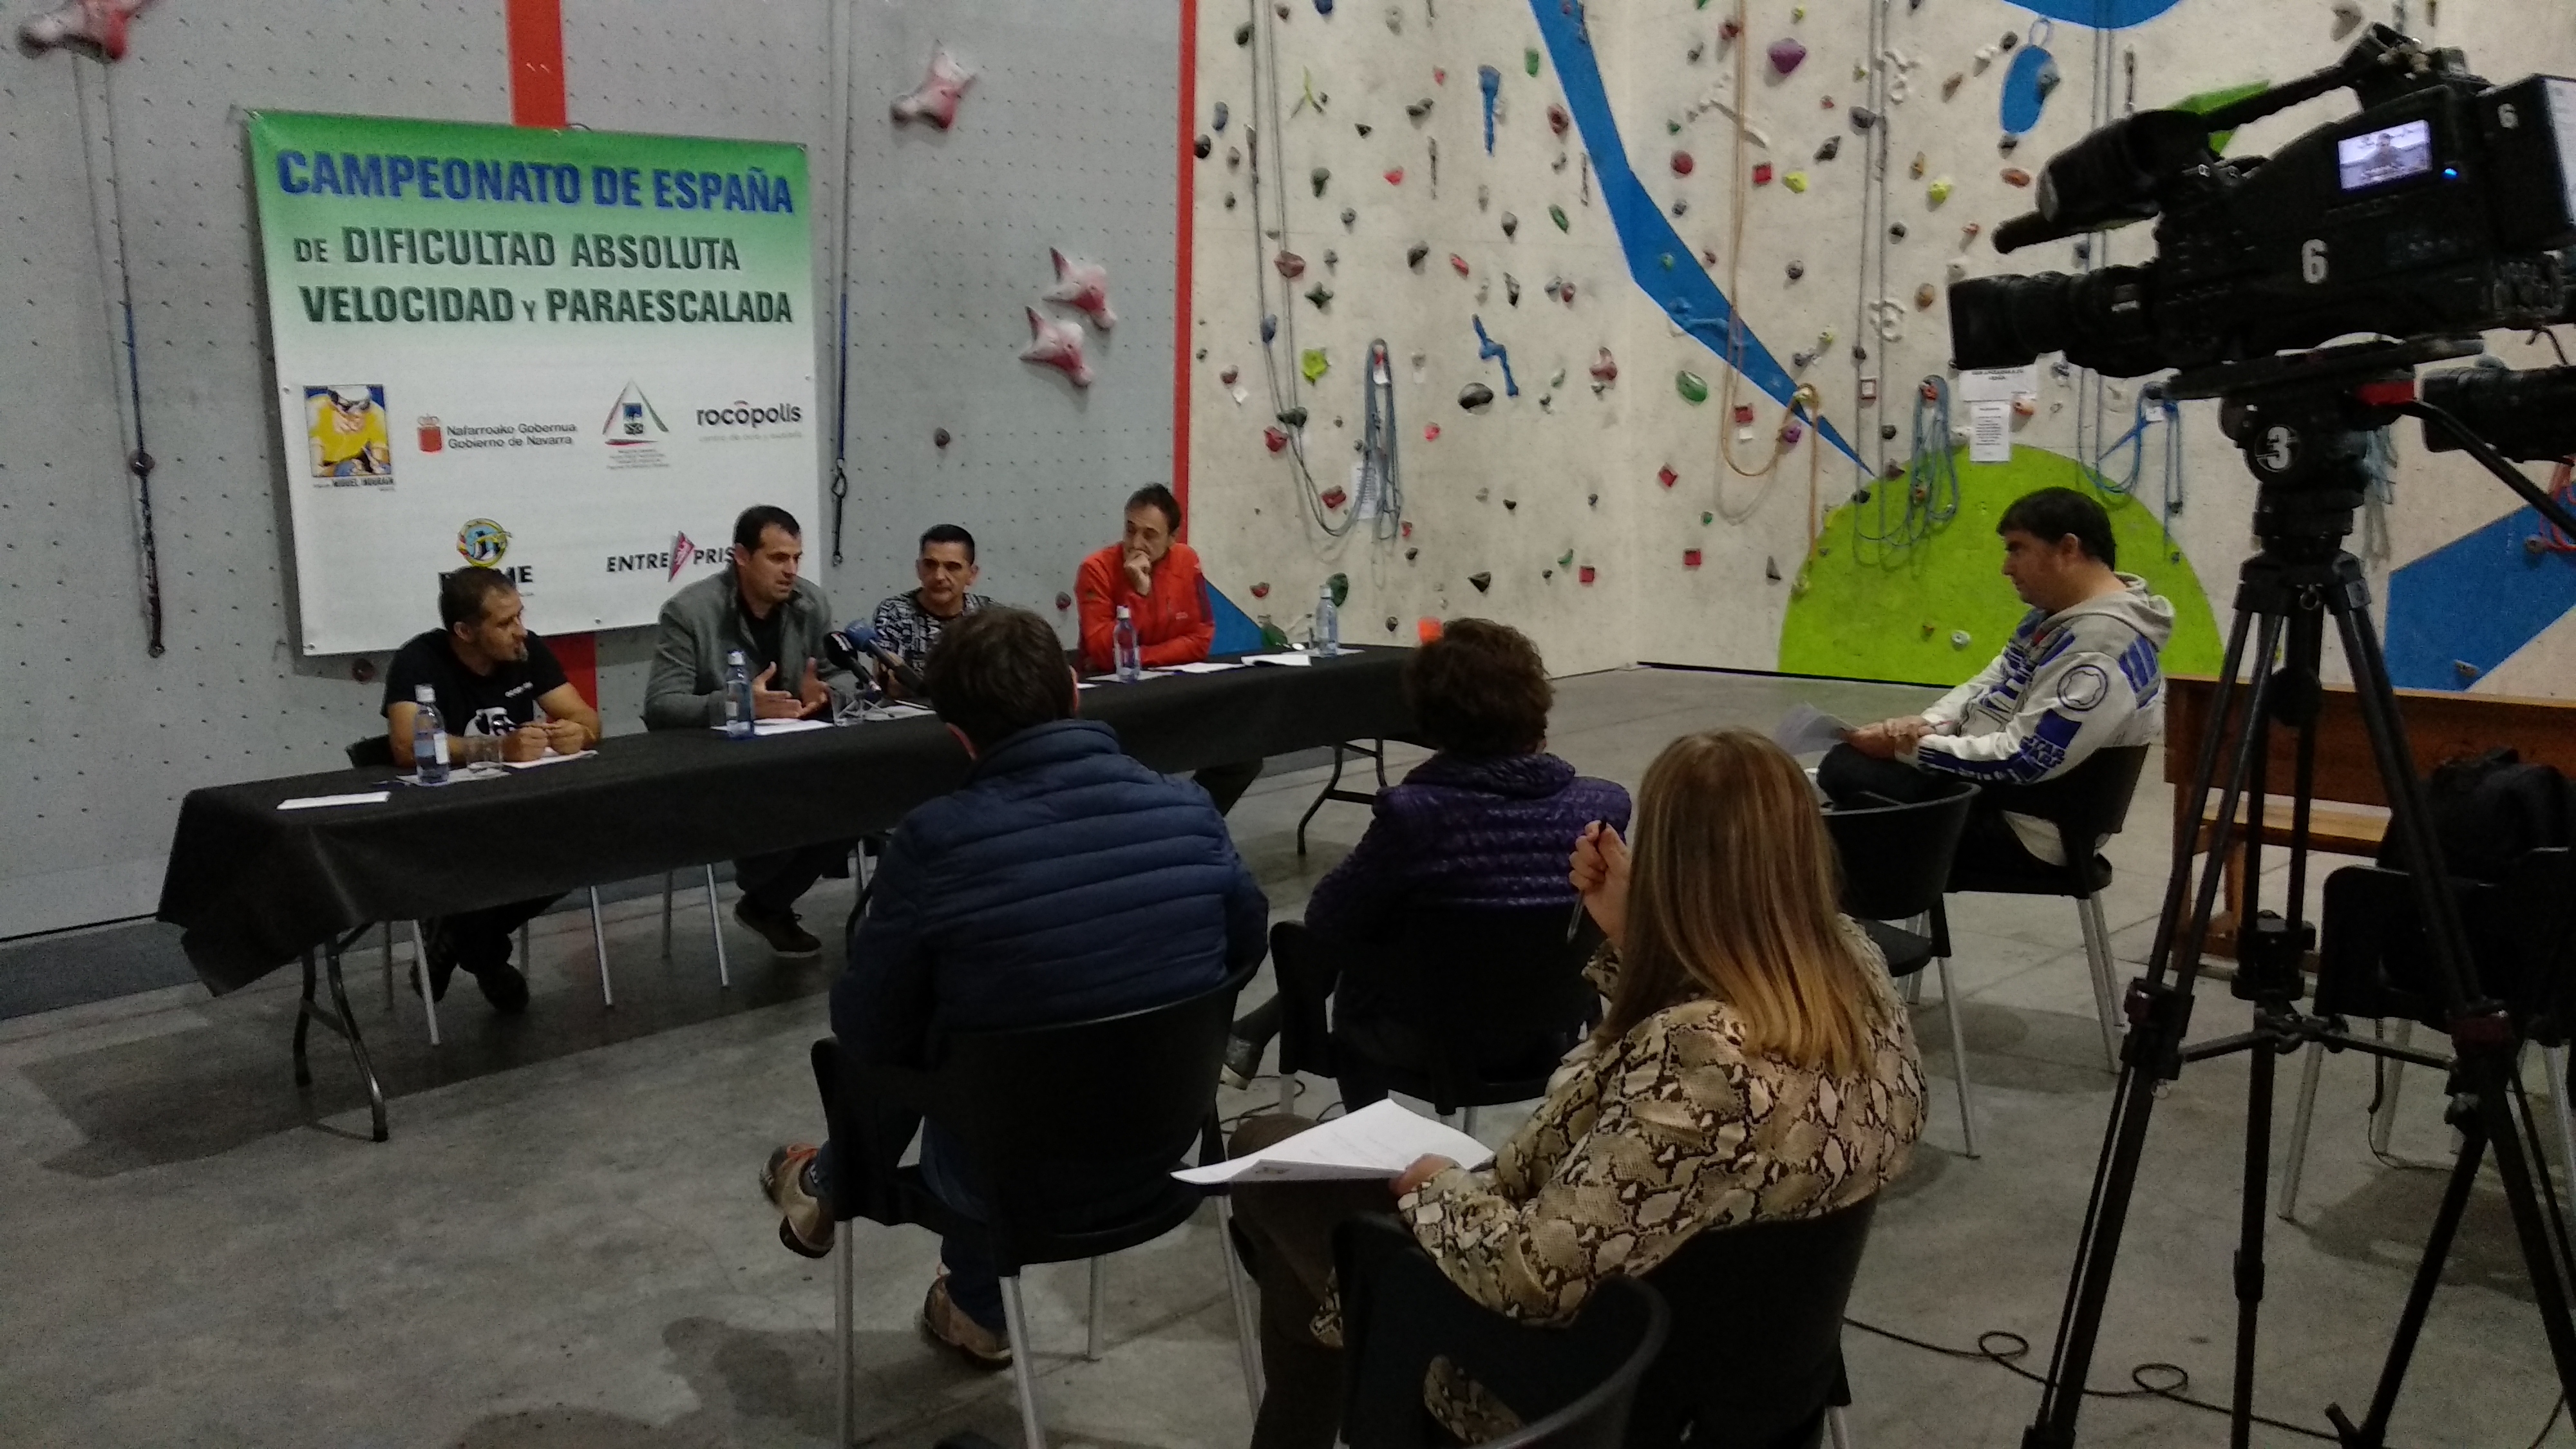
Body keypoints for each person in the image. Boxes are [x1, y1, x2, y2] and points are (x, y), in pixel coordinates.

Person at [1227, 729, 1926, 1448]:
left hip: (1584, 1394)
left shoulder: (1705, 1058)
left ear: (1665, 861)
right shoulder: (1853, 969)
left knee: (1267, 1158)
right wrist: (1632, 938)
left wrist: (1436, 1188)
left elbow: (1532, 1273)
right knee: (1304, 1264)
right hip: (1753, 1378)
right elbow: (1699, 1078)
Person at [758, 606, 1270, 1368]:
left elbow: (867, 1033)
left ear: (956, 734)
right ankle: (946, 1288)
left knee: (938, 1039)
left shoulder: (935, 840)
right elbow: (1244, 948)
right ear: (1073, 691)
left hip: (1006, 1184)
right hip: (1166, 1151)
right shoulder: (1189, 807)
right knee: (999, 1030)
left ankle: (841, 1195)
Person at [1221, 619, 1629, 1095]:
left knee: (1363, 924)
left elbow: (1327, 919)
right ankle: (1256, 1029)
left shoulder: (1416, 815)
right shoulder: (1603, 806)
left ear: (1428, 717)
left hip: (1424, 1042)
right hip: (1550, 1033)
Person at [1820, 486, 2175, 870]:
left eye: (2017, 548)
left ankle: (1826, 918)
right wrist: (1927, 724)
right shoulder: (2061, 615)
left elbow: (2024, 760)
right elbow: (1993, 679)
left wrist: (1908, 750)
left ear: (2068, 549)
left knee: (1836, 787)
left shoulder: (2102, 645)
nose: (2007, 567)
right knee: (1838, 789)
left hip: (2033, 827)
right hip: (2003, 796)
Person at [383, 568, 601, 1010]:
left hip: (518, 810)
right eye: (505, 623)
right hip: (448, 818)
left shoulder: (527, 649)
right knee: (493, 864)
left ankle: (458, 935)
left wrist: (577, 734)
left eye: (520, 616)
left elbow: (586, 716)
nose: (519, 630)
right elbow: (408, 746)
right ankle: (485, 957)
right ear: (464, 632)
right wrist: (497, 748)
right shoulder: (419, 660)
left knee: (582, 850)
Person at [645, 504, 857, 958]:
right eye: (778, 558)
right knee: (793, 805)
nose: (791, 571)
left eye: (797, 558)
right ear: (741, 556)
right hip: (722, 763)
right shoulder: (689, 611)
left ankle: (766, 902)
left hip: (796, 755)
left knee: (862, 797)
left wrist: (827, 695)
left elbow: (844, 676)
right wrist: (739, 704)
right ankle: (768, 896)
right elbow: (661, 706)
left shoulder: (810, 602)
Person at [1074, 484, 1262, 812]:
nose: (1136, 544)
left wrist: (1141, 659)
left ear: (1173, 538)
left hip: (1174, 684)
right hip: (1117, 695)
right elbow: (1106, 654)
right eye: (1130, 530)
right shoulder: (1097, 569)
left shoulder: (1187, 561)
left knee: (1243, 754)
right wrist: (1138, 594)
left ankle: (1193, 818)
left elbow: (1202, 639)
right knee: (1144, 766)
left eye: (1150, 535)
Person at [867, 523, 990, 696]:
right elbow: (889, 684)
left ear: (972, 574)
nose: (939, 576)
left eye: (952, 567)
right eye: (930, 565)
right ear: (918, 569)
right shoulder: (894, 612)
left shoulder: (988, 616)